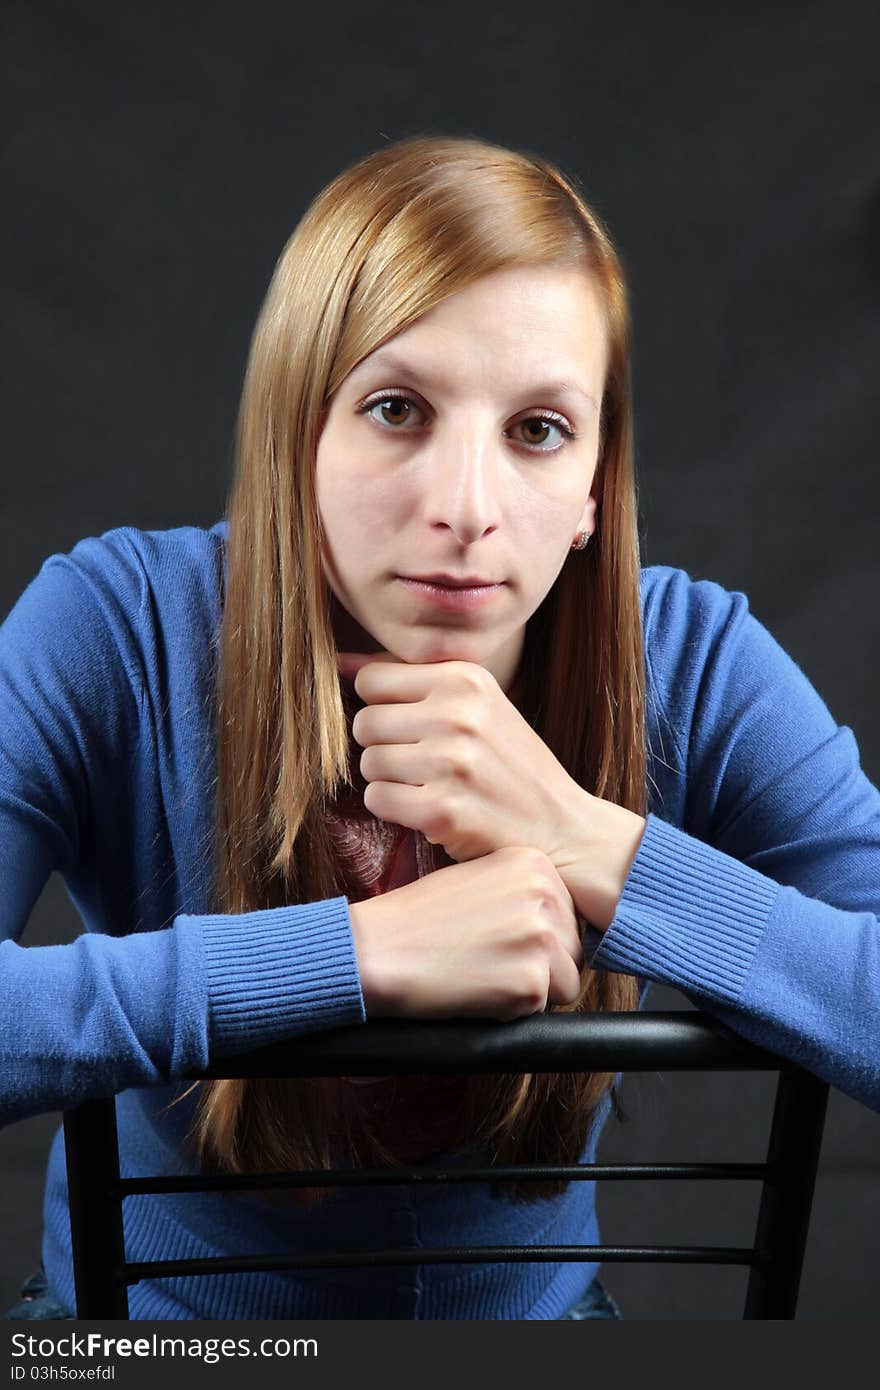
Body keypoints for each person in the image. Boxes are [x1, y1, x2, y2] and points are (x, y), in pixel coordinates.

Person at [2, 133, 878, 1322]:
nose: (465, 508)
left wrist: (593, 846)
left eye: (537, 430)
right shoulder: (117, 627)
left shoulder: (691, 657)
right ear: (294, 434)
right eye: (396, 407)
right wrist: (354, 957)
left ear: (592, 491)